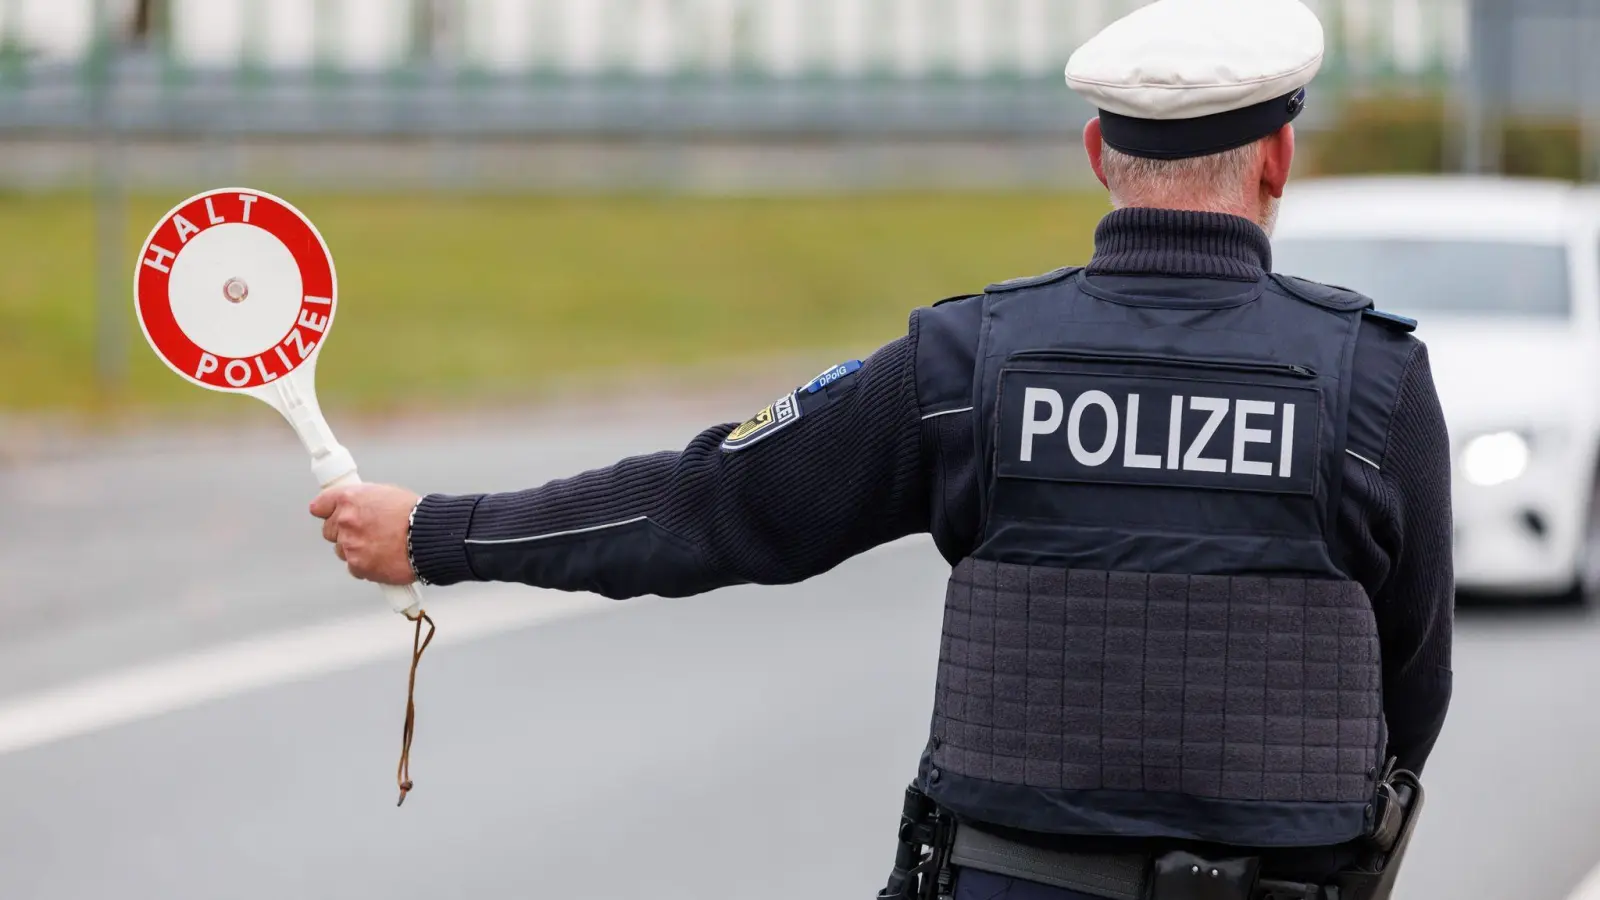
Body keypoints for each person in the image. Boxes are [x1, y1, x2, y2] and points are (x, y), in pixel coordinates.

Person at [310, 0, 1453, 896]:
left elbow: (706, 507)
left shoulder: (966, 365)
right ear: (1278, 158)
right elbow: (1412, 686)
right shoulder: (1376, 384)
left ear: (1099, 151)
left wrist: (435, 532)